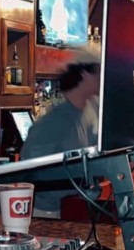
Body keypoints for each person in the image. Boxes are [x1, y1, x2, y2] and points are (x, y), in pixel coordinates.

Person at [20, 43, 101, 215]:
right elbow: (28, 173)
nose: (103, 77)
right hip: (50, 212)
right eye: (99, 71)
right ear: (85, 74)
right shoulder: (52, 123)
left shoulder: (93, 108)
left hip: (81, 209)